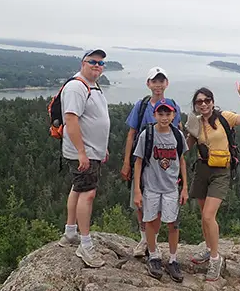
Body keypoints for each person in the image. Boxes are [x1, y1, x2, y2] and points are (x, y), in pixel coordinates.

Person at [187, 83, 240, 281]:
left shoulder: (225, 117)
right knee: (203, 214)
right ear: (195, 105)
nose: (203, 104)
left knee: (209, 216)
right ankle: (209, 248)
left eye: (207, 100)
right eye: (199, 102)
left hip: (221, 171)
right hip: (201, 169)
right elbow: (187, 145)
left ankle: (215, 259)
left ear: (212, 102)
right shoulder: (195, 122)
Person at [57, 48, 111, 268]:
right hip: (83, 152)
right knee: (88, 194)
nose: (97, 66)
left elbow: (95, 120)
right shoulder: (76, 87)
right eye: (92, 62)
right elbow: (71, 120)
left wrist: (102, 148)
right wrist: (82, 152)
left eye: (100, 63)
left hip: (91, 151)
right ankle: (85, 244)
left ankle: (70, 233)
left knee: (78, 188)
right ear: (83, 63)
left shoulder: (93, 86)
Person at [121, 67, 182, 257]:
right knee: (140, 202)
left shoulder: (173, 106)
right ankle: (144, 240)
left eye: (161, 81)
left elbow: (178, 134)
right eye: (154, 81)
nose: (158, 85)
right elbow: (131, 134)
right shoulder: (141, 106)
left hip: (166, 165)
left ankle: (152, 242)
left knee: (163, 205)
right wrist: (126, 163)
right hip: (143, 161)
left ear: (167, 83)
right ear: (148, 84)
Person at [133, 100, 189, 282]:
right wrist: (137, 191)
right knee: (152, 221)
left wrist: (185, 188)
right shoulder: (147, 134)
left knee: (173, 224)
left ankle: (173, 260)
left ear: (173, 115)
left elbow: (181, 161)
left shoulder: (178, 135)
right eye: (161, 114)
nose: (164, 118)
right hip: (151, 187)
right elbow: (139, 162)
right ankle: (154, 256)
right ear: (155, 115)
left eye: (168, 114)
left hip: (171, 188)